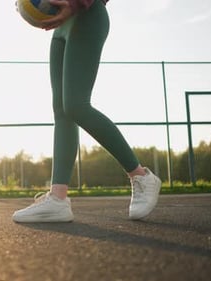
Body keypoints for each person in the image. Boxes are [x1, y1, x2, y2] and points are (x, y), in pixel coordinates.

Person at [12, 0, 161, 223]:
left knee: (76, 105)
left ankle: (140, 175)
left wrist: (73, 4)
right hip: (60, 27)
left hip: (86, 14)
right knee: (62, 111)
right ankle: (58, 199)